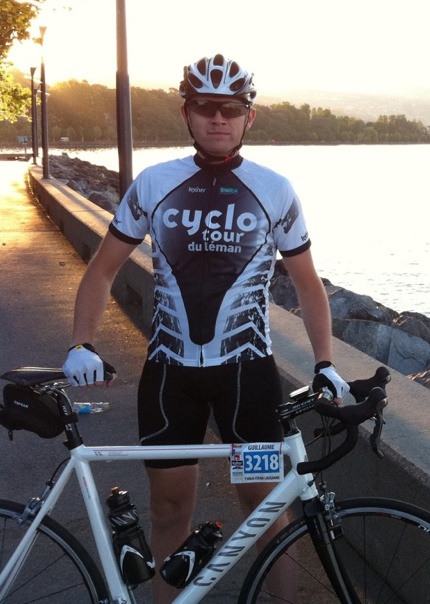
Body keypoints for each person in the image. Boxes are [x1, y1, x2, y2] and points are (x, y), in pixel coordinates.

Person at [62, 53, 349, 602]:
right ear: (186, 113)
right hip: (170, 376)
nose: (219, 118)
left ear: (249, 117)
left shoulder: (275, 189)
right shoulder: (153, 184)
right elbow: (102, 270)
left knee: (265, 513)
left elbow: (309, 287)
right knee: (169, 509)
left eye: (231, 108)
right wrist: (81, 343)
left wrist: (325, 363)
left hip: (248, 378)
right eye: (205, 107)